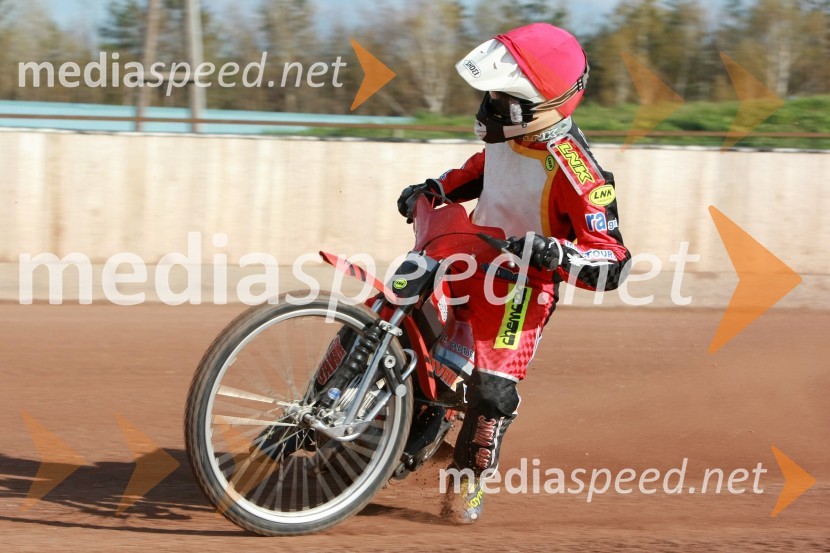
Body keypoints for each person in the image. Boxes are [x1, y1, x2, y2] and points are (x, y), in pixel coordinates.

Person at [396, 23, 631, 524]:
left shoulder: (580, 173)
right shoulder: (511, 134)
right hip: (466, 253)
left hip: (520, 290)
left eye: (506, 98)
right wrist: (434, 186)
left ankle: (468, 484)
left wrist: (557, 254)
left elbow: (614, 262)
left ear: (552, 103)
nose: (491, 107)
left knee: (491, 392)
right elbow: (483, 169)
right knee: (398, 313)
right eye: (492, 95)